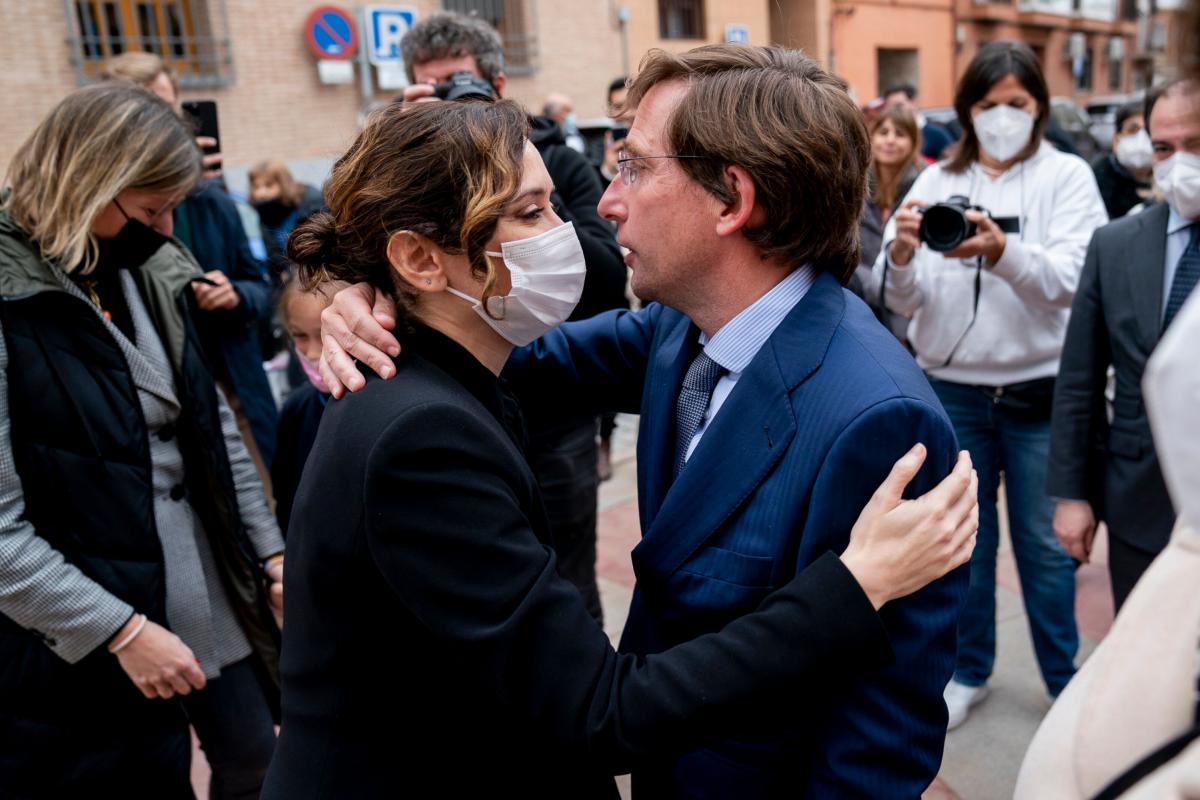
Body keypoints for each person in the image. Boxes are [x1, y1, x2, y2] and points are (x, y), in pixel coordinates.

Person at [265, 91, 977, 800]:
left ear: (732, 200)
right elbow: (594, 706)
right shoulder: (427, 426)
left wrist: (393, 290)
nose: (601, 206)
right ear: (422, 257)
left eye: (634, 167)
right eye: (530, 212)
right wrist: (372, 288)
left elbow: (882, 730)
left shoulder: (876, 414)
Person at [0, 83, 283, 798]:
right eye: (151, 209)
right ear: (86, 182)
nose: (164, 229)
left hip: (202, 578)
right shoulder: (12, 296)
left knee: (257, 753)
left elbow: (212, 428)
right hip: (76, 615)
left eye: (172, 208)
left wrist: (270, 551)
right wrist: (120, 631)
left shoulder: (143, 270)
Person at [874, 40, 1109, 730]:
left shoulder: (1067, 176)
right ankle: (969, 670)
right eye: (987, 104)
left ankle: (1064, 680)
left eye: (1017, 103)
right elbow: (900, 298)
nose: (1002, 117)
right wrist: (903, 252)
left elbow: (1073, 282)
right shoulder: (934, 181)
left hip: (1040, 393)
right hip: (953, 392)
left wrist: (1004, 252)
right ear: (966, 110)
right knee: (962, 548)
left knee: (1046, 549)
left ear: (1038, 107)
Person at [398, 11, 627, 622]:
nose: (448, 98)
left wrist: (530, 209)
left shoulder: (555, 161)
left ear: (497, 85)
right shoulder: (408, 175)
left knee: (569, 588)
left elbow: (606, 273)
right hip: (463, 409)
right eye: (432, 86)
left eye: (458, 82)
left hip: (555, 418)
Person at [1048, 79, 1200, 611]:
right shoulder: (1114, 246)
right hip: (1140, 503)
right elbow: (1080, 379)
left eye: (1195, 144)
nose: (1179, 162)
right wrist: (1072, 494)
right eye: (1163, 148)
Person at [102, 52, 280, 476]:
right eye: (143, 111)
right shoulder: (104, 217)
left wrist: (235, 295)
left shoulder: (213, 202)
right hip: (157, 405)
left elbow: (260, 284)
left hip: (231, 386)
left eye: (167, 108)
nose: (161, 124)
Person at [856, 103, 923, 341]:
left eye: (900, 134)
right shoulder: (853, 184)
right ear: (872, 137)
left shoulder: (925, 186)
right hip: (861, 299)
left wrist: (901, 292)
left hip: (910, 307)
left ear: (913, 142)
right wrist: (879, 287)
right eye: (883, 132)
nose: (890, 140)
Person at [270, 282, 331, 536]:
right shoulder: (295, 410)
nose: (313, 353)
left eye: (325, 334)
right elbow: (286, 499)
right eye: (300, 336)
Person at [248, 160, 324, 277]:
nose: (261, 193)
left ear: (283, 183)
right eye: (256, 187)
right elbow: (272, 253)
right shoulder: (263, 211)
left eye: (269, 185)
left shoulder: (310, 203)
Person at [1092, 100, 1155, 219]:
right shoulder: (1097, 181)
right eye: (1133, 130)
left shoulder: (1169, 177)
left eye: (1148, 130)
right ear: (1116, 140)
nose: (1142, 138)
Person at [884, 82, 957, 161]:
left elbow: (952, 162)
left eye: (899, 105)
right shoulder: (885, 136)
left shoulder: (937, 134)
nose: (894, 111)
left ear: (914, 102)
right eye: (890, 107)